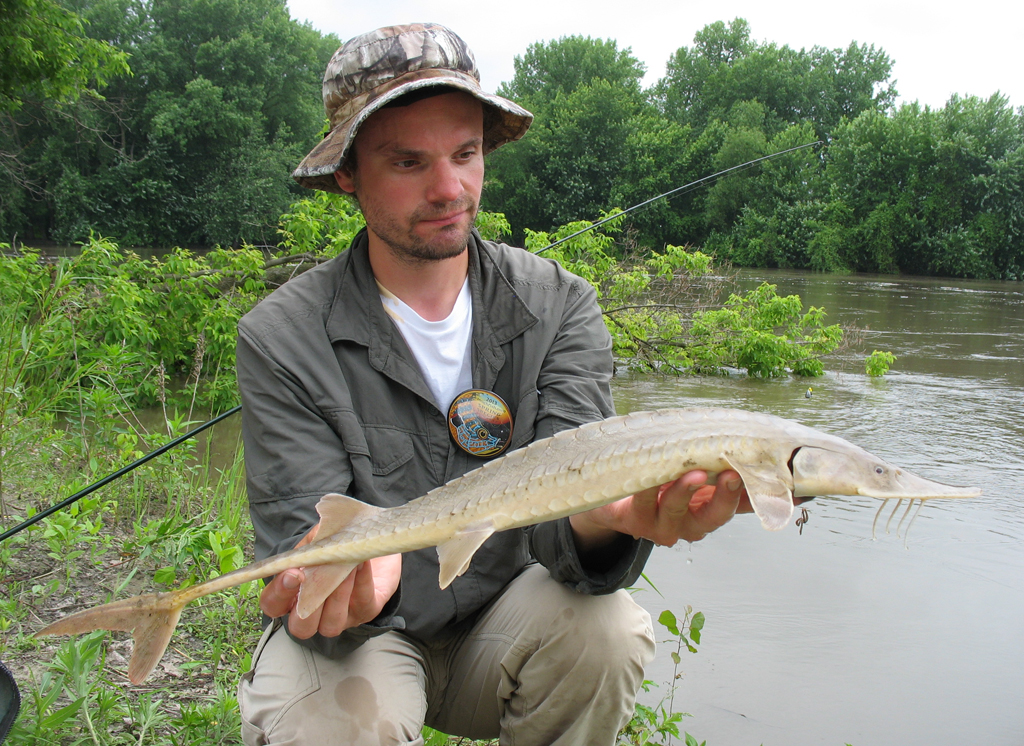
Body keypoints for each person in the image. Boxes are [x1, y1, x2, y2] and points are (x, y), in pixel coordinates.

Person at [235, 23, 749, 746]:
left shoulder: (560, 304)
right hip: (357, 644)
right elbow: (302, 534)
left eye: (466, 153)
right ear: (347, 173)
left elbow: (564, 512)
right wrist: (343, 582)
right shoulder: (280, 336)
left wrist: (611, 517)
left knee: (608, 631)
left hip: (500, 627)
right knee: (343, 723)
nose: (449, 188)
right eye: (408, 161)